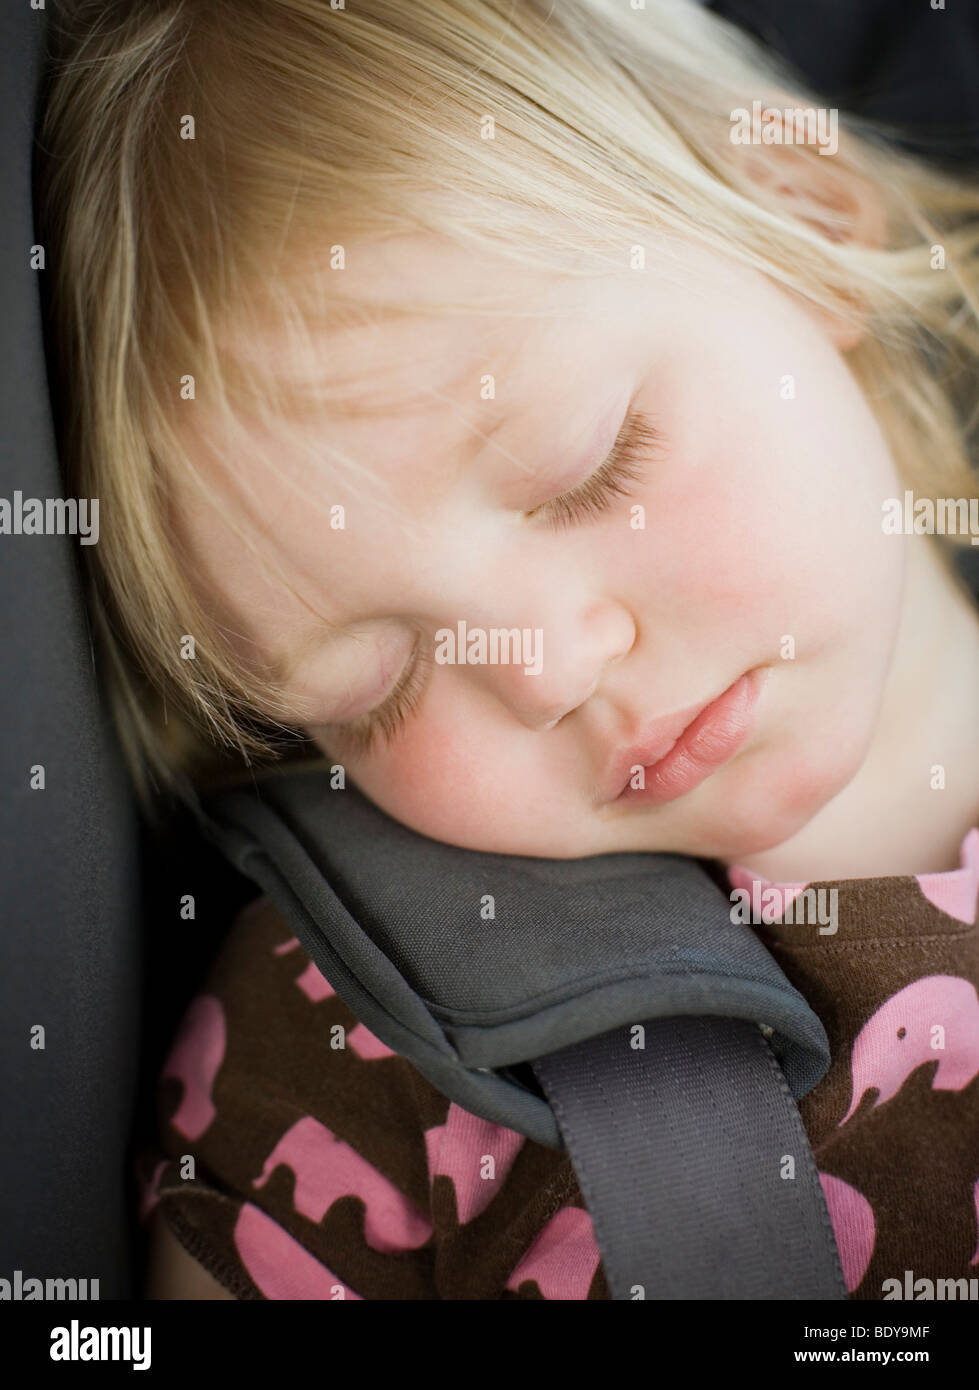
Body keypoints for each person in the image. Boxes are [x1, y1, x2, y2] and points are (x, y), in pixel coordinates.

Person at [34, 0, 979, 1299]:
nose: (546, 669)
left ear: (802, 228)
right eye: (383, 682)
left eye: (590, 471)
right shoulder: (348, 1052)